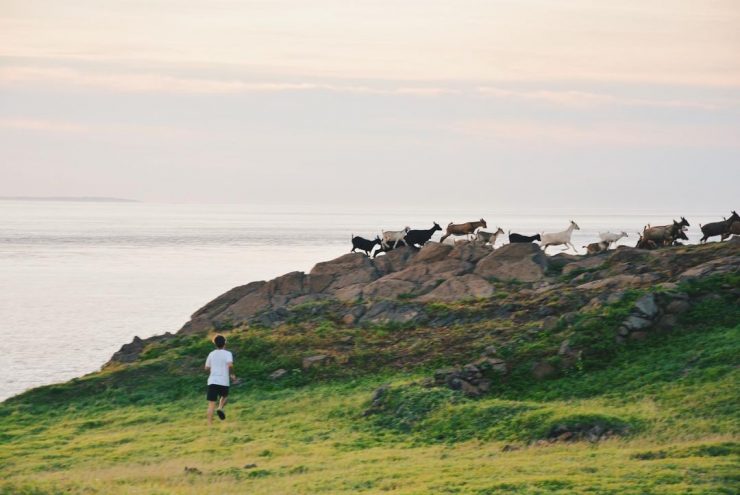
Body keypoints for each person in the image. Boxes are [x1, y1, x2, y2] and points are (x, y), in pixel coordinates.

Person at [204, 334, 235, 425]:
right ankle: (220, 407)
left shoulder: (211, 354)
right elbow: (230, 365)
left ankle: (210, 425)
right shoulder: (228, 353)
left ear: (215, 344)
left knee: (211, 404)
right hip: (224, 381)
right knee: (224, 396)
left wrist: (213, 371)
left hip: (212, 381)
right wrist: (232, 374)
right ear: (224, 343)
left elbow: (206, 367)